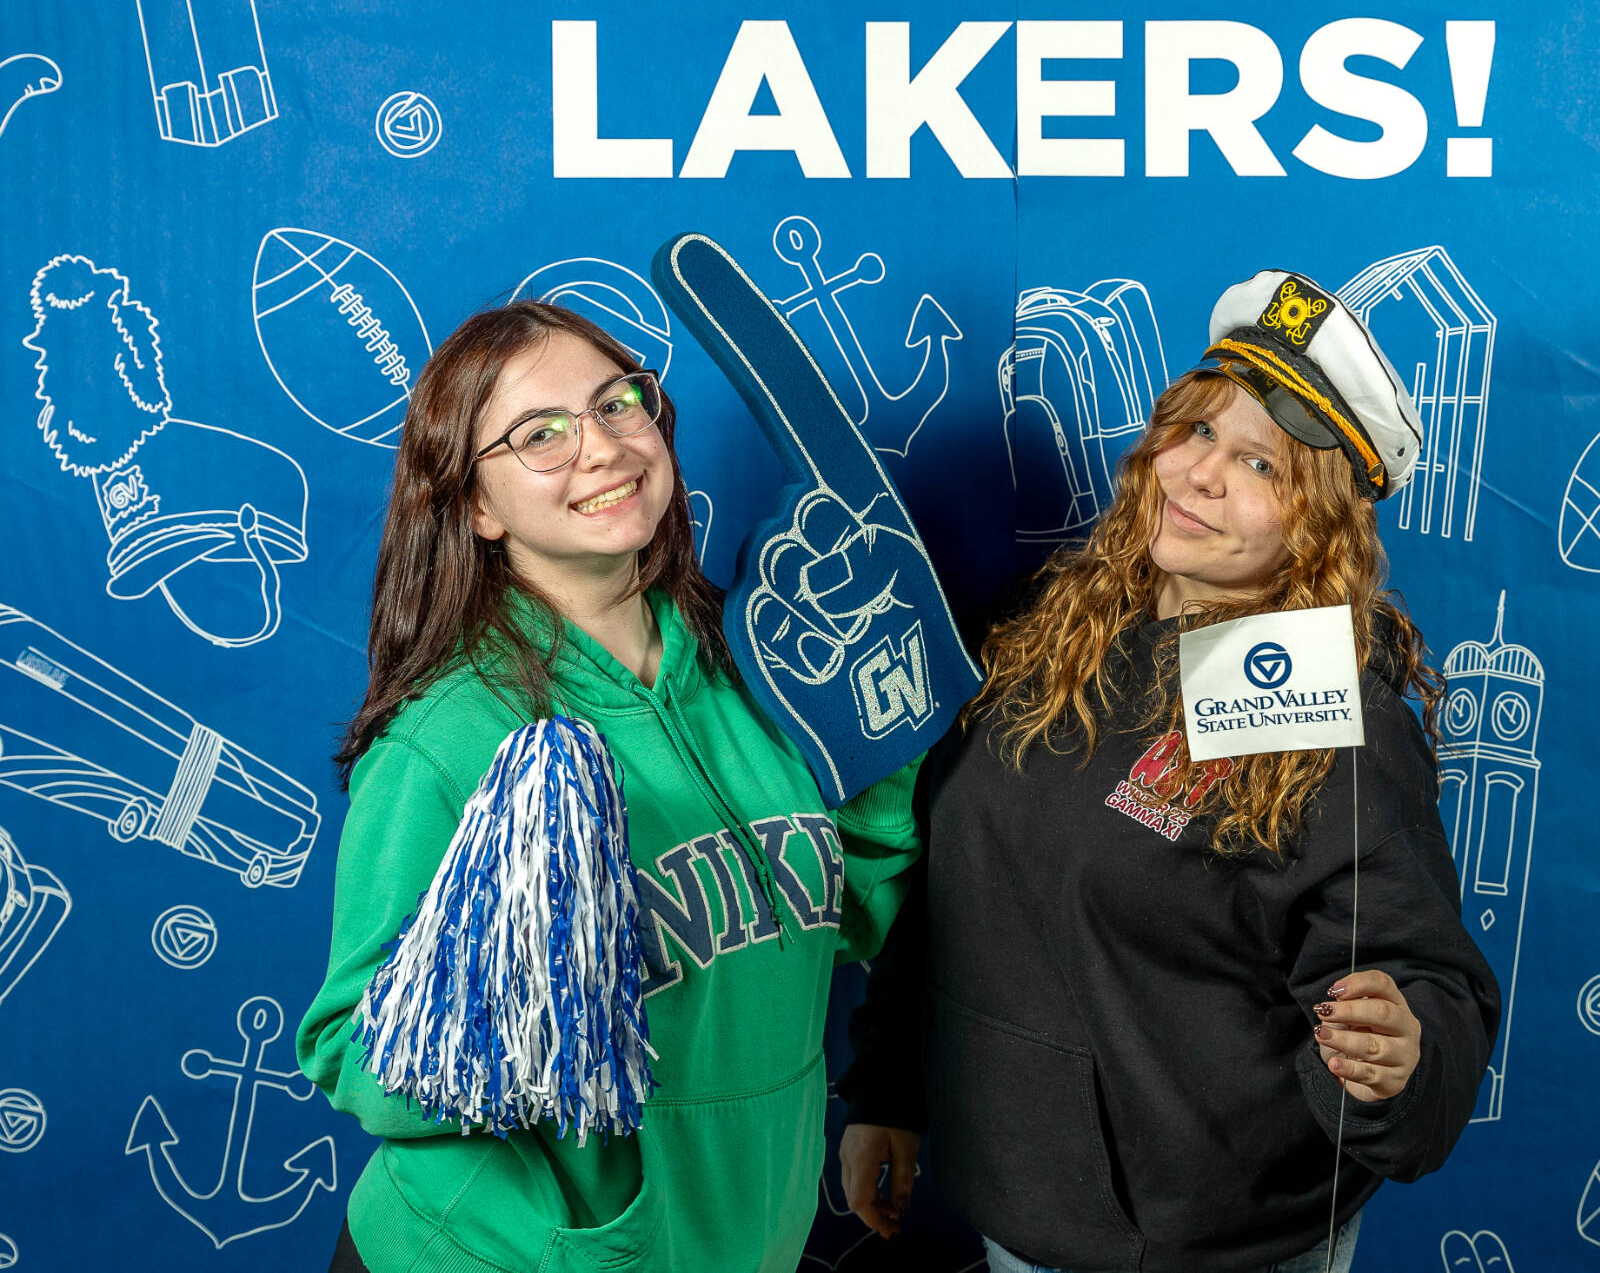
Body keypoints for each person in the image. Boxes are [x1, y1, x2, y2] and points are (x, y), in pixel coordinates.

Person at [836, 270, 1501, 1273]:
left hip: (1209, 1243)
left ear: (1315, 522)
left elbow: (1419, 975)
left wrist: (1401, 1058)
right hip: (1016, 1206)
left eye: (1259, 465)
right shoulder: (1051, 637)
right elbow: (958, 890)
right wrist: (888, 1091)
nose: (1197, 476)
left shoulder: (1324, 710)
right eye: (1193, 433)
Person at [296, 302, 922, 1273]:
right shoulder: (452, 738)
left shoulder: (762, 667)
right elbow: (346, 1044)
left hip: (741, 1242)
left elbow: (856, 916)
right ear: (476, 505)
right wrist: (513, 1027)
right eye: (539, 434)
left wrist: (890, 728)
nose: (599, 448)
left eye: (616, 404)